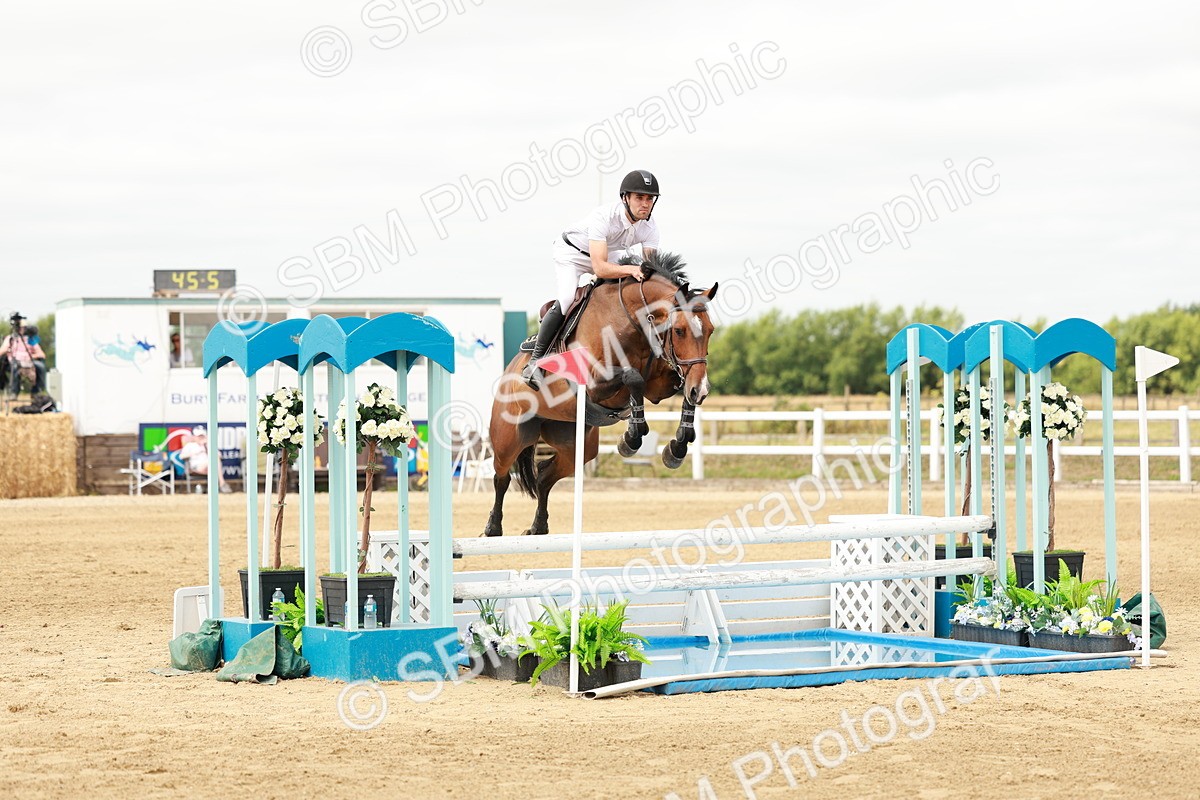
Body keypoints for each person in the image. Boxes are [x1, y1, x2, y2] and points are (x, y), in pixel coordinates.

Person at [522, 169, 662, 388]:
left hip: (607, 254)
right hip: (572, 253)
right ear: (625, 198)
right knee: (568, 298)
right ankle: (535, 362)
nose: (645, 203)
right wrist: (630, 269)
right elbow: (599, 267)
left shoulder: (651, 227)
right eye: (639, 197)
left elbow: (650, 269)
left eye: (649, 199)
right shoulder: (604, 217)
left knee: (624, 288)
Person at [0, 317, 47, 396]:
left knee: (41, 366)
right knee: (15, 366)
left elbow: (42, 354)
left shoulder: (30, 339)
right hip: (14, 363)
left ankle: (36, 391)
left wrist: (30, 356)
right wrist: (7, 350)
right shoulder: (10, 339)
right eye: (22, 328)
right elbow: (1, 352)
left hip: (29, 362)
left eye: (25, 328)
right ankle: (14, 392)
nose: (23, 329)